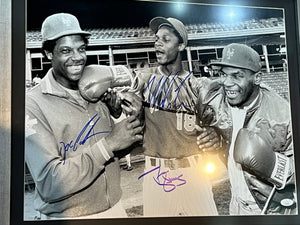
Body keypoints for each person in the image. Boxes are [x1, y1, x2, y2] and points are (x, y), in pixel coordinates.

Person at [25, 13, 143, 219]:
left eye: (81, 49)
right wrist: (109, 144)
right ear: (48, 53)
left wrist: (123, 118)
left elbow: (115, 154)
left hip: (115, 209)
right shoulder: (33, 104)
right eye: (65, 51)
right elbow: (49, 183)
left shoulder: (94, 90)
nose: (77, 57)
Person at [131, 17, 219, 217]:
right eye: (156, 39)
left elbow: (214, 127)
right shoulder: (143, 79)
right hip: (156, 173)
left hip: (194, 173)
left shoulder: (198, 86)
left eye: (166, 39)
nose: (158, 43)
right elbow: (133, 123)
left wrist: (214, 134)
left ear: (181, 45)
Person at [195, 43, 296, 215]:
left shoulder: (283, 114)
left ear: (257, 78)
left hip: (268, 209)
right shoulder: (216, 101)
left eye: (237, 76)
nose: (227, 83)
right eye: (223, 74)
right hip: (235, 203)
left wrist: (271, 165)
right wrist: (217, 141)